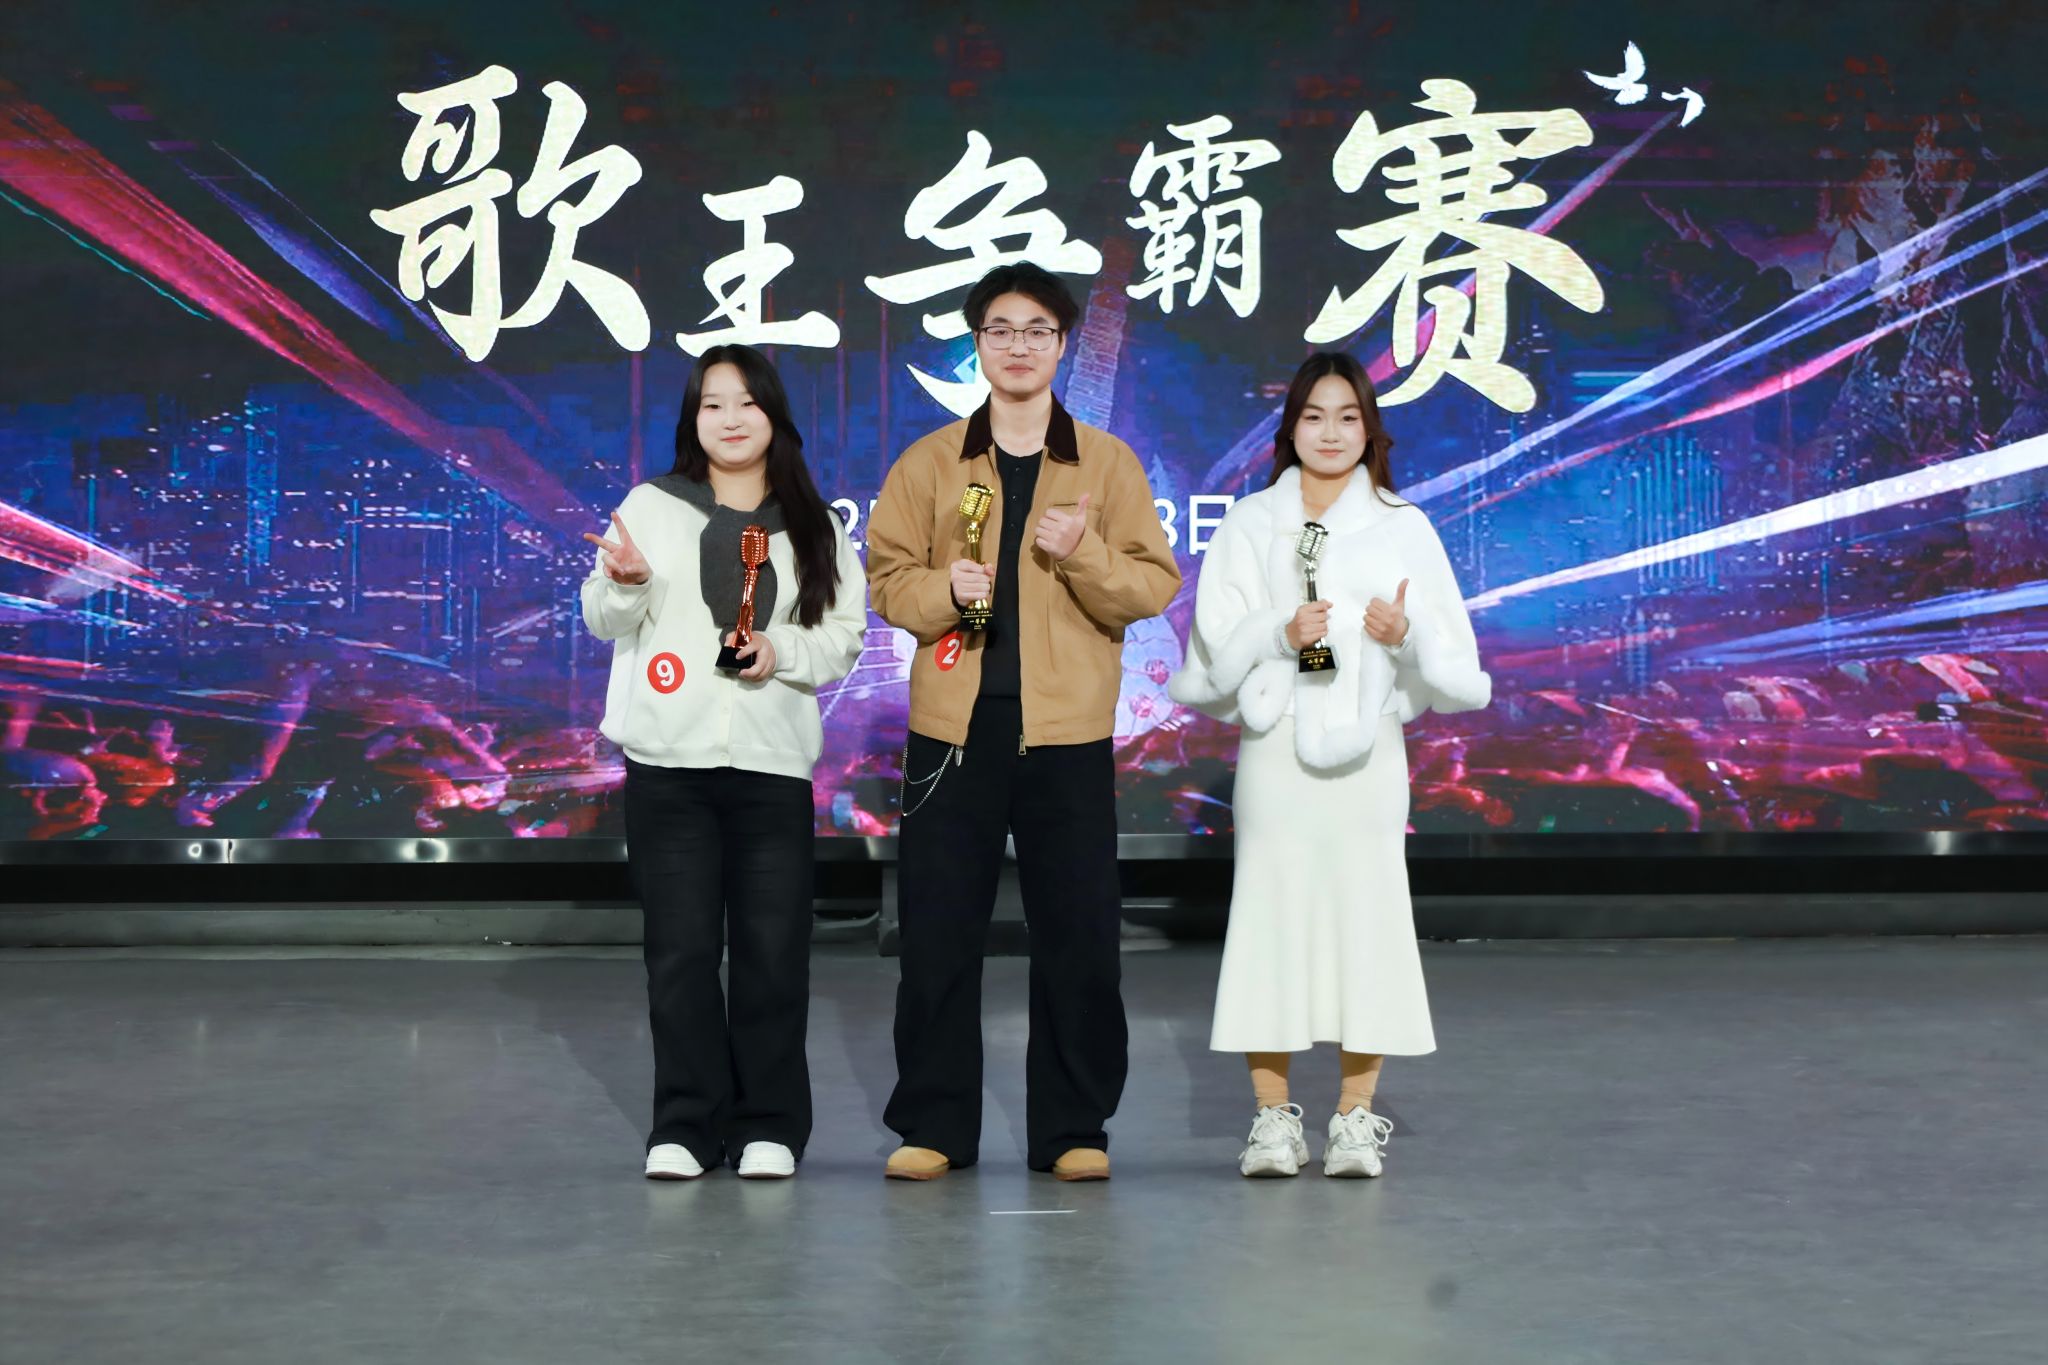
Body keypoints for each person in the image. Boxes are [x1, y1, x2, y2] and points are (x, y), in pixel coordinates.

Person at [865, 262, 1181, 1181]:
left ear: (1062, 345)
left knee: (1079, 936)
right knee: (937, 934)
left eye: (1037, 330)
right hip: (952, 732)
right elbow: (886, 579)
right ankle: (934, 1125)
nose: (1018, 346)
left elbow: (1151, 584)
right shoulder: (931, 461)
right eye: (1000, 330)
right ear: (978, 343)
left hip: (1066, 733)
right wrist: (941, 589)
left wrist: (1082, 555)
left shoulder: (1106, 463)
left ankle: (1073, 1127)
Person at [1169, 351, 1491, 1178]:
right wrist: (1279, 634)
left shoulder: (1402, 525)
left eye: (1348, 416)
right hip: (1276, 751)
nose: (1331, 433)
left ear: (1369, 428)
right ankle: (1272, 1118)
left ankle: (1355, 1116)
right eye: (1314, 416)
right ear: (1291, 428)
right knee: (1270, 919)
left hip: (1368, 754)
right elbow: (1211, 652)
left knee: (1368, 920)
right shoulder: (1250, 523)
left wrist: (1405, 638)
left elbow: (1456, 662)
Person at [580, 343, 866, 1181]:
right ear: (692, 418)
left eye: (746, 402)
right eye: (713, 403)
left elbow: (843, 638)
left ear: (774, 415)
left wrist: (779, 652)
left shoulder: (816, 525)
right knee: (679, 952)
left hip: (772, 769)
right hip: (669, 770)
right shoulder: (651, 505)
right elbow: (601, 616)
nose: (730, 418)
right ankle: (686, 1123)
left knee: (773, 953)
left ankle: (769, 1123)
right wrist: (627, 582)